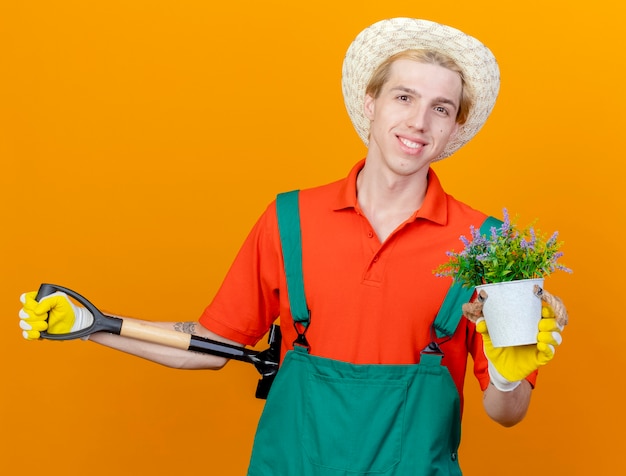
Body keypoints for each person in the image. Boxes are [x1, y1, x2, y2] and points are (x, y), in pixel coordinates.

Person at [19, 17, 567, 475]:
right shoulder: (291, 220)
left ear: (453, 128)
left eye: (441, 108)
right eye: (404, 96)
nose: (419, 122)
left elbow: (507, 412)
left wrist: (505, 373)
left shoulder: (491, 246)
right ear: (371, 102)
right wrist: (96, 326)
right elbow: (211, 346)